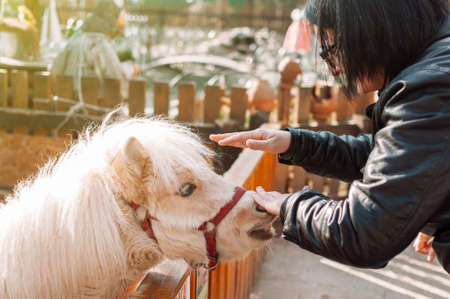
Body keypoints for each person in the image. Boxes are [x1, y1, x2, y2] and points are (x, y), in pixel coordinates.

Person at [210, 0, 450, 273]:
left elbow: (364, 232)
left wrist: (287, 205)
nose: (333, 66)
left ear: (374, 29)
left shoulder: (432, 89)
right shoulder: (436, 67)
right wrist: (295, 143)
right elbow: (393, 157)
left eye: (334, 47)